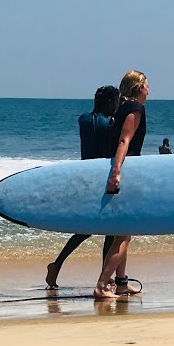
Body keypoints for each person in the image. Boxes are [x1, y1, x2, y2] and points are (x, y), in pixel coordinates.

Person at [45, 85, 120, 289]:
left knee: (85, 229)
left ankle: (58, 265)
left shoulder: (83, 120)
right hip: (102, 178)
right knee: (110, 230)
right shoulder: (109, 124)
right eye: (116, 102)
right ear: (110, 103)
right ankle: (103, 276)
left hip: (85, 177)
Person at [96, 71, 150, 300]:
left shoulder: (120, 109)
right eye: (147, 85)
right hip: (125, 171)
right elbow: (124, 141)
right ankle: (100, 285)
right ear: (138, 88)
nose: (149, 90)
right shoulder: (135, 110)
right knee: (124, 235)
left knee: (122, 232)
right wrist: (116, 173)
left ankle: (120, 284)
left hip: (121, 169)